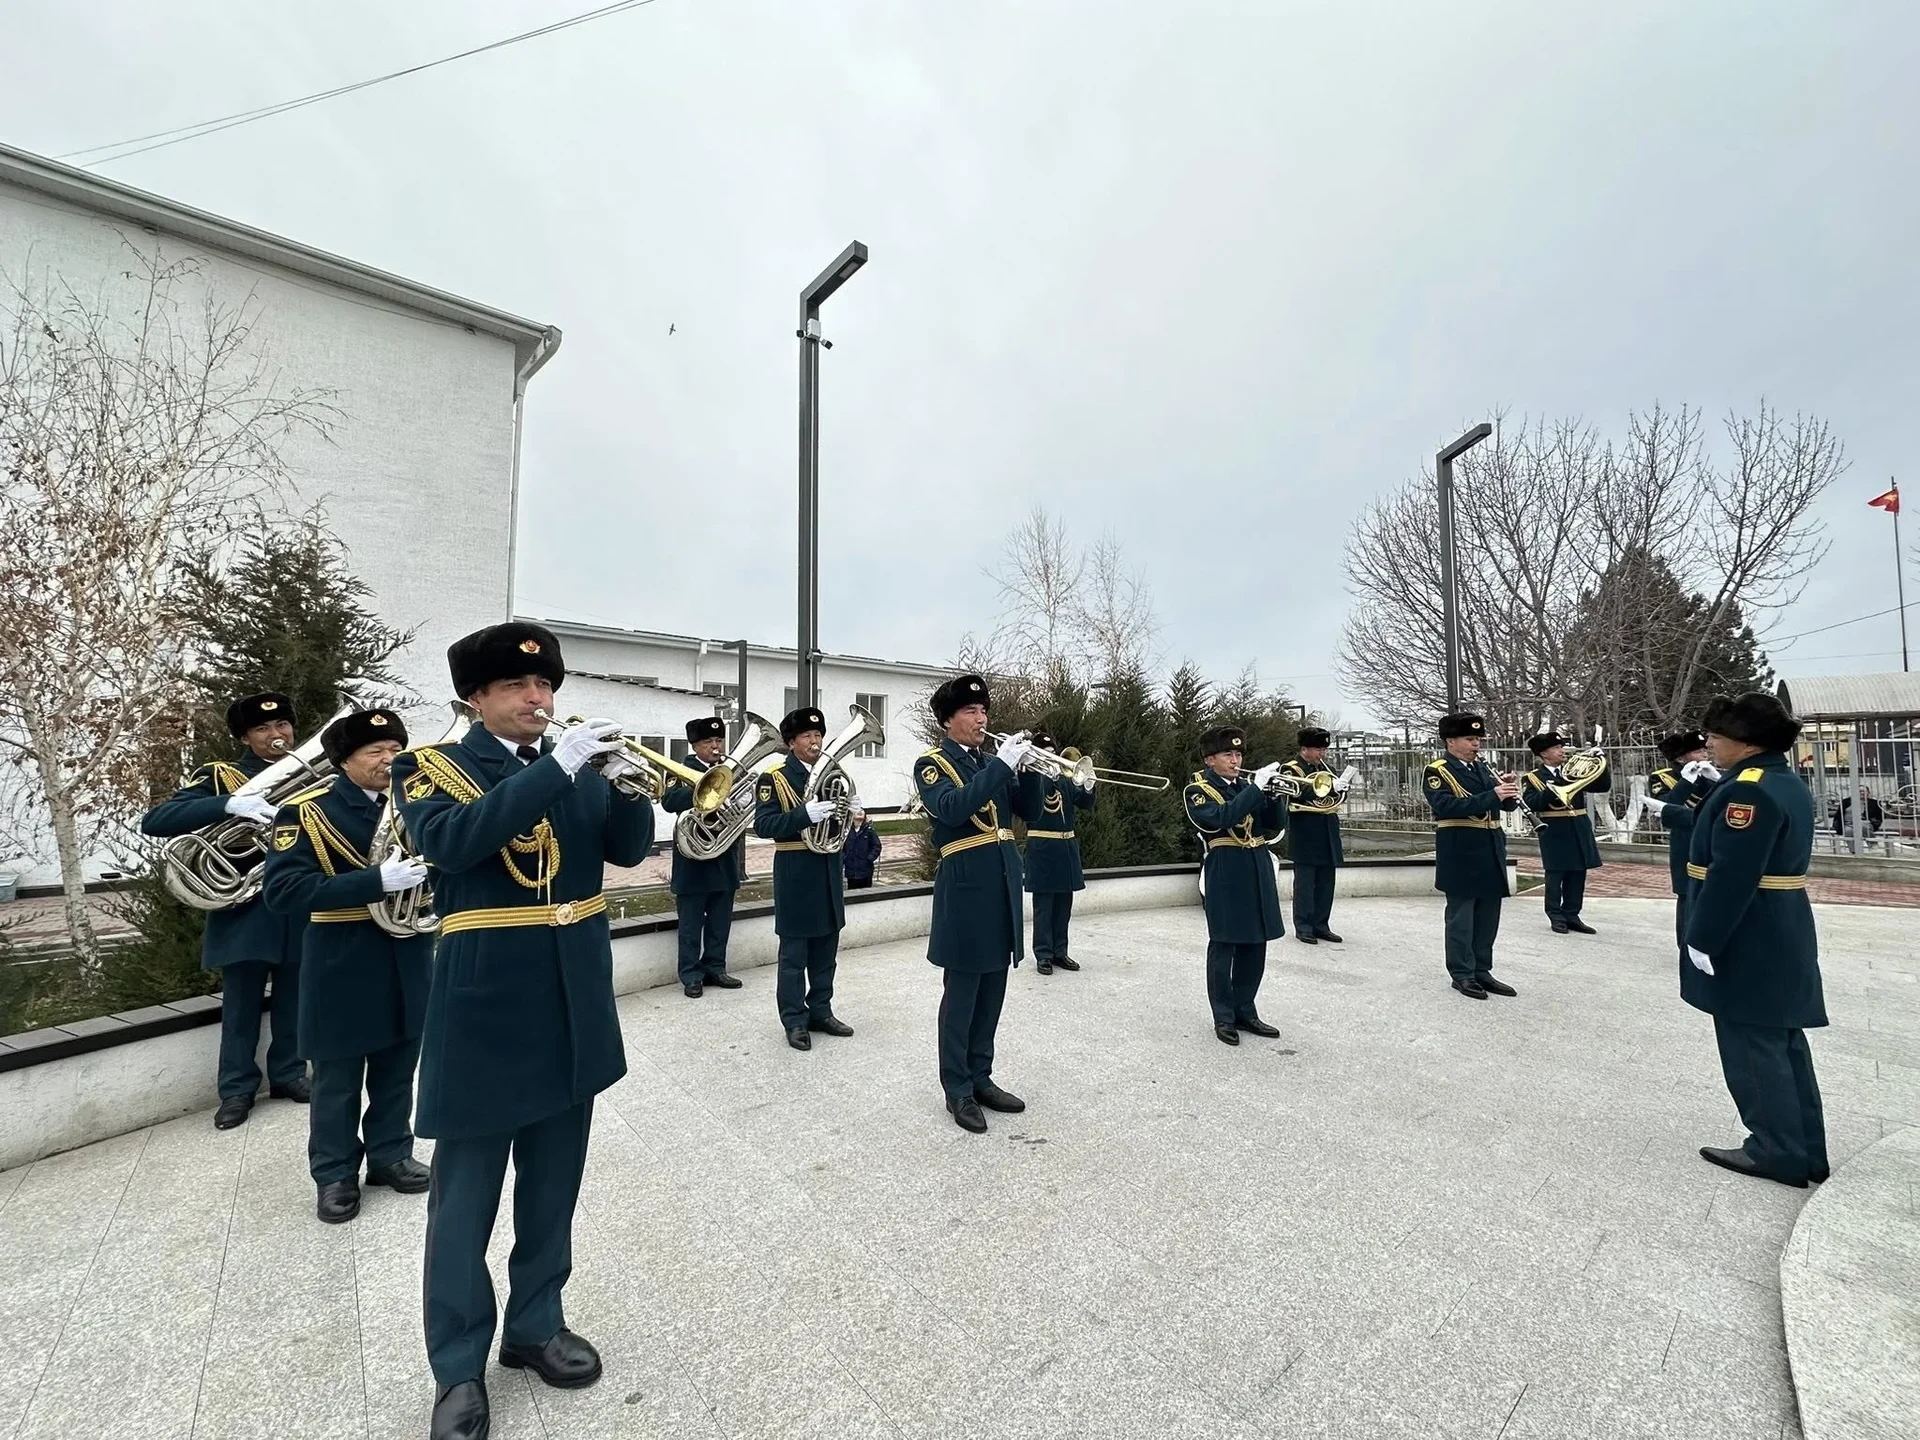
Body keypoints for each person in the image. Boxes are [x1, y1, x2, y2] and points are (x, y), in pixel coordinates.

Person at [390, 622, 653, 1440]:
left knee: (553, 1183)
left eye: (545, 685)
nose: (538, 698)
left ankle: (536, 1325)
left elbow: (628, 850)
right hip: (486, 1006)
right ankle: (457, 1368)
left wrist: (626, 785)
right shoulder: (429, 767)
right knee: (463, 1203)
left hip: (573, 996)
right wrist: (560, 768)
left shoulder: (571, 764)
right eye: (516, 686)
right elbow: (452, 843)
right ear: (476, 697)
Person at [262, 708, 432, 1224]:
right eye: (375, 752)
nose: (389, 759)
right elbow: (283, 892)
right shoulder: (306, 812)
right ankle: (334, 1173)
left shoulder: (416, 803)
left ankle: (390, 1155)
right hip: (342, 958)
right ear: (343, 761)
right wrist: (375, 882)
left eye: (396, 749)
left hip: (407, 952)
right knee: (337, 1079)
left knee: (398, 1068)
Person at [141, 691, 310, 1130]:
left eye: (282, 725)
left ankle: (289, 1074)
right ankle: (236, 1090)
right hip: (245, 912)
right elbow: (156, 821)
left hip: (296, 905)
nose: (276, 734)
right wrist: (228, 804)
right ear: (244, 737)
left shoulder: (314, 778)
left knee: (295, 999)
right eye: (262, 728)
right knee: (241, 1007)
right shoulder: (221, 776)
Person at [1684, 691, 1829, 1188]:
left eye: (1716, 736)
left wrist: (1703, 937)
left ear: (1746, 743)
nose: (1709, 744)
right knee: (1783, 1041)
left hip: (1748, 929)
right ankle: (1804, 1149)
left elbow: (1732, 874)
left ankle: (1773, 1150)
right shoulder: (1779, 780)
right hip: (1777, 923)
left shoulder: (1748, 792)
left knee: (1751, 1043)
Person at [915, 674, 1035, 1131]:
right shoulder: (932, 764)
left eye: (984, 710)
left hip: (1001, 885)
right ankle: (957, 1088)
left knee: (992, 992)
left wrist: (1032, 772)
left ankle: (981, 1076)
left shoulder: (990, 763)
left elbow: (1030, 811)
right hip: (965, 888)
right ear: (948, 720)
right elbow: (951, 808)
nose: (981, 718)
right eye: (971, 711)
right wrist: (1002, 767)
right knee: (962, 995)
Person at [753, 707, 854, 1051]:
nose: (815, 741)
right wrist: (803, 815)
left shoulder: (832, 775)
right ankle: (794, 1019)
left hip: (828, 870)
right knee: (794, 957)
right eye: (807, 736)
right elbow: (764, 825)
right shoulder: (774, 778)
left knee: (826, 952)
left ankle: (821, 1011)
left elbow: (836, 826)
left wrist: (851, 813)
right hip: (795, 871)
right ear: (791, 742)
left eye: (818, 735)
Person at [1182, 726, 1287, 1045]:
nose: (1235, 760)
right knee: (1225, 942)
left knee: (1256, 942)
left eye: (1238, 754)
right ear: (1209, 759)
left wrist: (1273, 797)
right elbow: (1220, 818)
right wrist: (1255, 790)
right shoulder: (1198, 789)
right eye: (1227, 754)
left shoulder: (1246, 786)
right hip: (1226, 867)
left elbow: (1274, 825)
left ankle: (1246, 1010)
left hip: (1256, 865)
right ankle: (1223, 1016)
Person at [1422, 713, 1521, 1000]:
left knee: (1488, 915)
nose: (1476, 744)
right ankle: (1462, 973)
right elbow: (1446, 806)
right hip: (1460, 849)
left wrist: (1508, 792)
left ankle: (1482, 969)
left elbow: (1505, 807)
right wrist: (1493, 794)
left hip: (1490, 846)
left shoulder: (1482, 768)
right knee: (1462, 917)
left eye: (1478, 739)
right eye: (1469, 739)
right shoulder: (1438, 771)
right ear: (1450, 741)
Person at [662, 716, 745, 997]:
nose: (715, 746)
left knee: (720, 921)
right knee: (690, 924)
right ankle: (690, 975)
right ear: (695, 745)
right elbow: (669, 801)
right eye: (708, 741)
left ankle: (715, 968)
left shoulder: (728, 771)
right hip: (693, 860)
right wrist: (705, 791)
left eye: (719, 740)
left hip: (723, 858)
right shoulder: (680, 769)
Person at [1020, 725, 1096, 975]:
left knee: (1064, 905)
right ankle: (1043, 954)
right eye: (1046, 753)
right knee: (1044, 906)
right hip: (1042, 848)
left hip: (1065, 848)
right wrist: (1046, 776)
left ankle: (1060, 952)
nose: (1052, 757)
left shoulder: (1064, 779)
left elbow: (1085, 803)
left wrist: (1088, 784)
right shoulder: (1031, 778)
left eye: (1053, 752)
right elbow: (1033, 803)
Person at [1520, 732, 1611, 935]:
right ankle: (1555, 915)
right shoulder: (1533, 778)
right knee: (1555, 875)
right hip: (1555, 829)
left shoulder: (1575, 771)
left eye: (1562, 747)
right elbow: (1532, 803)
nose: (1562, 751)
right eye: (1556, 748)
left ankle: (1572, 914)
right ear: (1544, 753)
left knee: (1578, 873)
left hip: (1578, 826)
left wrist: (1602, 763)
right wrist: (1555, 787)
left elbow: (1602, 786)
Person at [1649, 730, 1716, 962]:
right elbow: (1667, 811)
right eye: (1698, 751)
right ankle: (1686, 947)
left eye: (1705, 749)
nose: (1705, 754)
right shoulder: (1663, 778)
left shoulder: (1714, 773)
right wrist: (1686, 782)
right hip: (1686, 842)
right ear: (1680, 757)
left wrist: (1715, 780)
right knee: (1688, 895)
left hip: (1714, 842)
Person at [1282, 727, 1346, 945]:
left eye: (1324, 749)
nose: (1322, 754)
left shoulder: (1328, 769)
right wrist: (1329, 788)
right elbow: (1297, 791)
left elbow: (1336, 798)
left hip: (1328, 830)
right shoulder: (1291, 769)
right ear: (1304, 749)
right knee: (1305, 884)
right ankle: (1303, 926)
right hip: (1306, 832)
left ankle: (1321, 925)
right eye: (1318, 749)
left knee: (1326, 883)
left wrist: (1341, 789)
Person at [841, 804, 882, 889]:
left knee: (866, 892)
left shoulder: (869, 831)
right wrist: (844, 858)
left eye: (862, 810)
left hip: (866, 870)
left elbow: (876, 846)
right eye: (857, 810)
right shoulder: (846, 831)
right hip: (851, 871)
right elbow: (841, 847)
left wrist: (869, 858)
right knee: (853, 892)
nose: (860, 811)